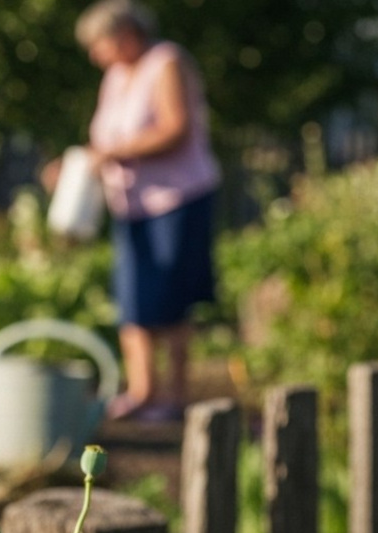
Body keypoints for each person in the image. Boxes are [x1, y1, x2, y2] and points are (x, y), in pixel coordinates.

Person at [76, 0, 220, 421]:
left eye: (99, 44)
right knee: (132, 296)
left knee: (171, 297)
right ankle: (142, 391)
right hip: (131, 204)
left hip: (178, 199)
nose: (95, 55)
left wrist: (114, 152)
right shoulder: (115, 76)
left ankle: (174, 396)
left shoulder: (165, 62)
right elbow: (105, 139)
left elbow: (175, 129)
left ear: (124, 35)